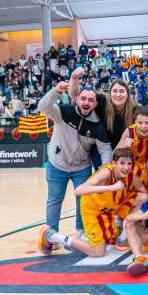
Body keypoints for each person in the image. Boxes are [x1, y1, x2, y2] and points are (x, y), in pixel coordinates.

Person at [37, 80, 112, 246]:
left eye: (91, 100)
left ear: (95, 104)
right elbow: (43, 107)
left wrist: (106, 169)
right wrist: (55, 91)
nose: (86, 102)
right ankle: (51, 235)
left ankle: (82, 231)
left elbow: (105, 149)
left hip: (81, 167)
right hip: (57, 165)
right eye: (83, 98)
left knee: (83, 200)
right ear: (77, 99)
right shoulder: (63, 112)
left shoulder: (98, 126)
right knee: (55, 199)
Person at [38, 148, 147, 257]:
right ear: (114, 163)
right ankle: (52, 235)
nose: (126, 167)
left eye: (129, 164)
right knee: (98, 252)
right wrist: (110, 187)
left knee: (143, 197)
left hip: (109, 208)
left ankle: (117, 229)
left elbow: (143, 191)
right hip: (93, 210)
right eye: (122, 163)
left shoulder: (131, 176)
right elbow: (78, 190)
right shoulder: (106, 173)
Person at [116, 106, 148, 184]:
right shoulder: (129, 132)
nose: (143, 126)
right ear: (135, 122)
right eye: (140, 123)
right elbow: (115, 153)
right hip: (133, 164)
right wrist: (123, 147)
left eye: (147, 123)